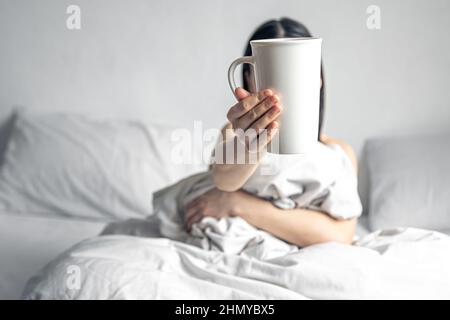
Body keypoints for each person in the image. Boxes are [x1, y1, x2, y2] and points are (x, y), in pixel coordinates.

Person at [184, 18, 359, 247]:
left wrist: (237, 204)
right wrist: (250, 140)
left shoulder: (339, 153)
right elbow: (223, 180)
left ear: (318, 80)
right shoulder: (233, 135)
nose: (282, 88)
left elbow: (340, 236)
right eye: (271, 75)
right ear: (248, 79)